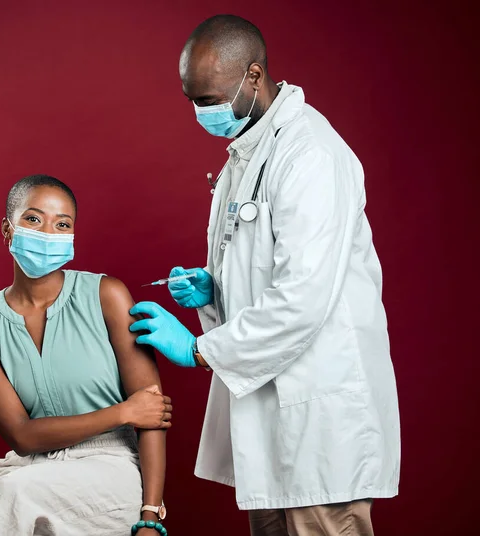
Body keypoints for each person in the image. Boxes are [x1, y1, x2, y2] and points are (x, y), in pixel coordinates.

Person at [129, 14, 400, 536]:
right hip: (272, 422)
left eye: (209, 99)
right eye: (191, 99)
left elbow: (302, 299)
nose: (200, 112)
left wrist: (198, 350)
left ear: (254, 77)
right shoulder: (249, 152)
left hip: (321, 426)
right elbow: (263, 267)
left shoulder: (311, 154)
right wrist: (217, 288)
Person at [0, 175, 170, 536]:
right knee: (14, 489)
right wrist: (123, 411)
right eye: (33, 219)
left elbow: (151, 415)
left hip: (110, 465)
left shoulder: (107, 295)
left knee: (13, 495)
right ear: (7, 229)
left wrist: (150, 516)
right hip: (29, 466)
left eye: (62, 224)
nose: (47, 234)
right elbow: (22, 437)